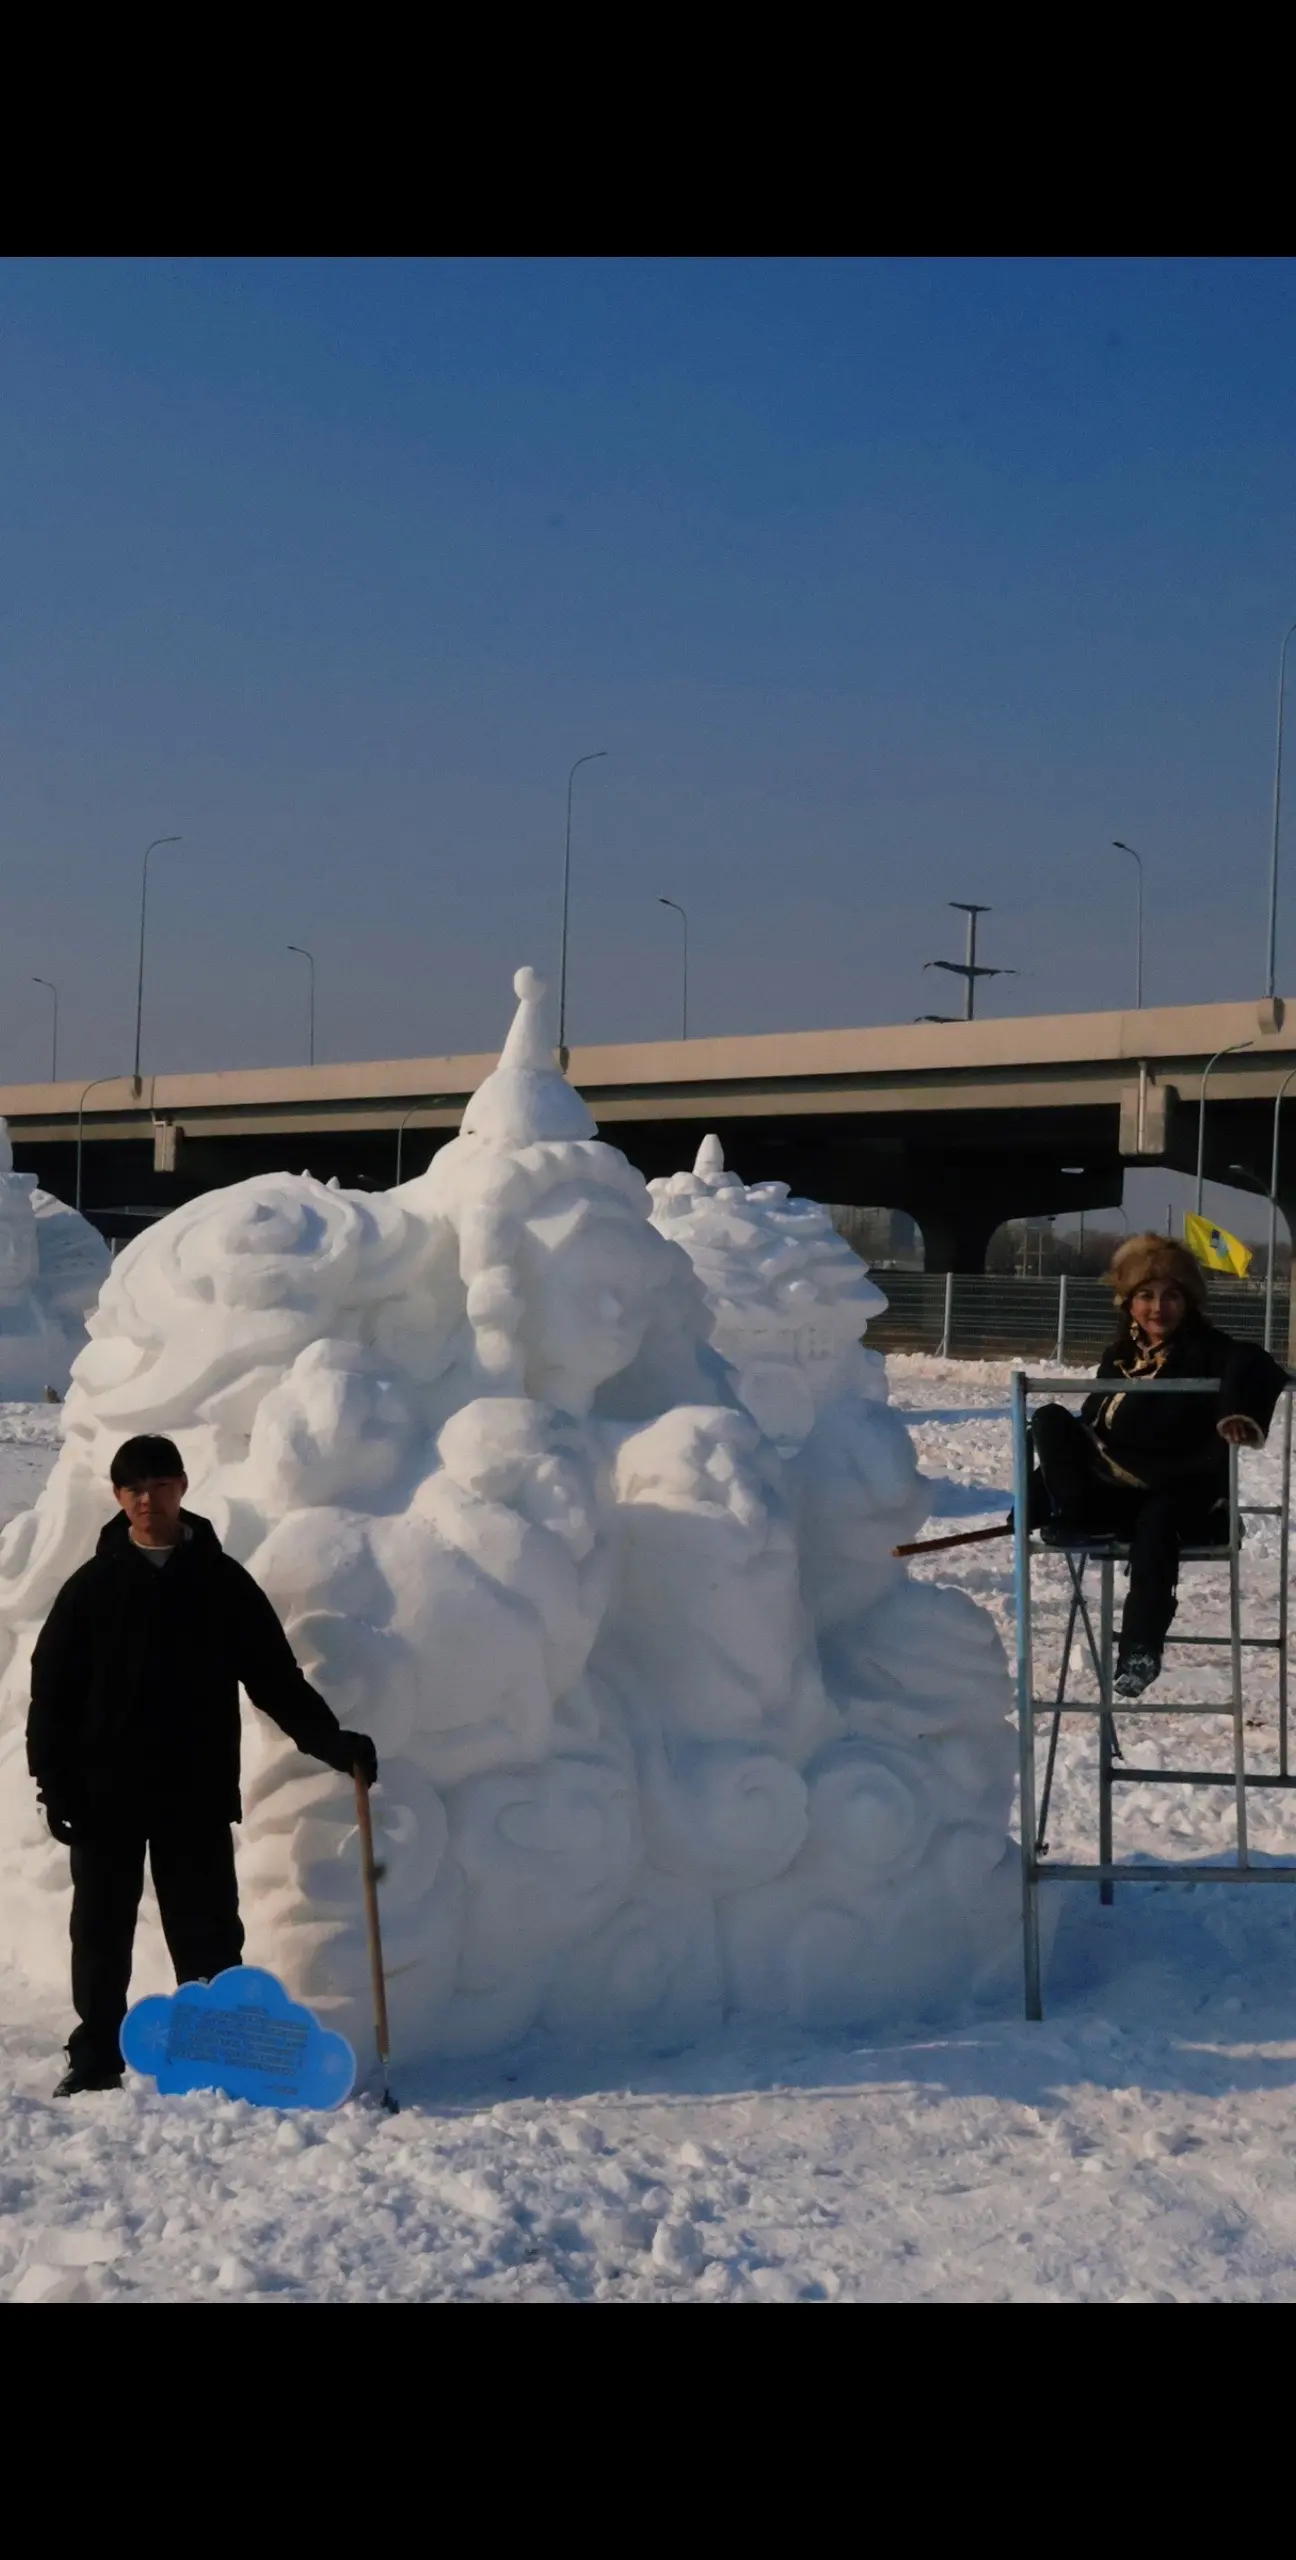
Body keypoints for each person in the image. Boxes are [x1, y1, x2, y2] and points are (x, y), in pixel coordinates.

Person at [26, 1433, 378, 2096]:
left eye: (159, 1485)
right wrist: (54, 1781)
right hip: (105, 1792)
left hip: (194, 1787)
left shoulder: (222, 1584)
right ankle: (96, 2057)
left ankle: (215, 2056)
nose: (147, 1499)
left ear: (183, 1487)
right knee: (100, 1931)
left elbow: (274, 1678)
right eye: (134, 1488)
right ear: (118, 1497)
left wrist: (333, 1743)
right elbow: (53, 1689)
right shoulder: (93, 1587)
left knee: (208, 1930)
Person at [1029, 1235, 1286, 1702]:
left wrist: (1236, 1414)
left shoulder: (1207, 1348)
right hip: (1115, 1491)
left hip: (1182, 1493)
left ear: (1188, 1302)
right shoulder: (1119, 1356)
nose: (1158, 1308)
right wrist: (1034, 1498)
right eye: (1146, 1295)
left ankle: (1140, 1651)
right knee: (1048, 1418)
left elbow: (1256, 1361)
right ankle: (1076, 1516)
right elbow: (1090, 1427)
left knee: (1157, 1523)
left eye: (1172, 1296)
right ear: (1128, 1303)